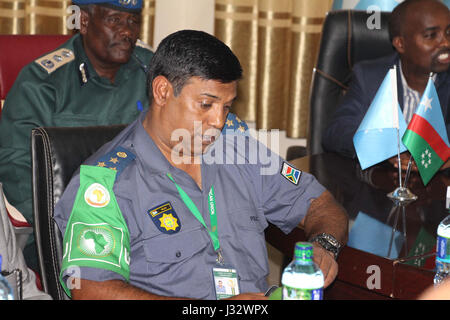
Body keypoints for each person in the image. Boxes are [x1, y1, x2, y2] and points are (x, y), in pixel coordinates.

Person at [53, 30, 348, 300]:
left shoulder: (238, 150)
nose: (218, 122)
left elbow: (319, 203)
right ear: (162, 91)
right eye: (206, 105)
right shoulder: (106, 181)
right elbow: (91, 290)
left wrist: (324, 246)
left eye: (227, 107)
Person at [0, 0, 153, 270]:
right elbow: (18, 170)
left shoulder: (153, 72)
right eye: (114, 20)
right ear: (83, 22)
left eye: (132, 21)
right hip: (64, 230)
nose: (127, 31)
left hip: (144, 222)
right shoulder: (43, 82)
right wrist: (68, 227)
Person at [322, 0, 450, 171]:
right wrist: (384, 147)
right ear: (400, 44)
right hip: (380, 187)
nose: (446, 43)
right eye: (431, 35)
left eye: (449, 33)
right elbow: (336, 132)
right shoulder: (370, 77)